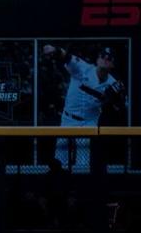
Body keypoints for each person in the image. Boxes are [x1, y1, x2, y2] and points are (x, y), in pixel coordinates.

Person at [42, 43, 125, 171]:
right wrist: (55, 50)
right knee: (59, 160)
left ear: (113, 64)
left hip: (89, 122)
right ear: (97, 59)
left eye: (109, 58)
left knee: (83, 164)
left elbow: (120, 108)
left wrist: (117, 99)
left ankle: (80, 188)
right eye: (103, 55)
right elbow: (67, 57)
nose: (105, 59)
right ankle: (60, 187)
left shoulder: (113, 83)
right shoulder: (83, 68)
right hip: (69, 119)